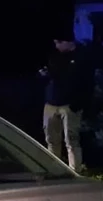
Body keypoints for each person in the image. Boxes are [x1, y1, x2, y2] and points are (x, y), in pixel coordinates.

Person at [39, 34, 93, 171]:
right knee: (51, 140)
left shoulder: (81, 58)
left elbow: (87, 83)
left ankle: (75, 171)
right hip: (51, 104)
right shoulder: (54, 56)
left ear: (69, 42)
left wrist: (78, 104)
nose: (57, 46)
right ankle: (54, 171)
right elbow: (49, 75)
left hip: (69, 106)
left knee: (71, 140)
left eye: (59, 42)